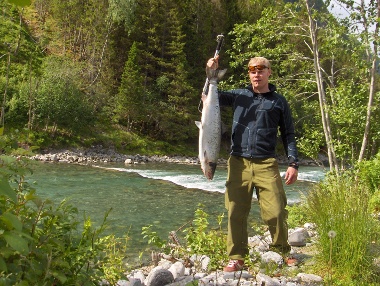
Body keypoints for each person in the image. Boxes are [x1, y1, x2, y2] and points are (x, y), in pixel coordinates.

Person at [205, 56, 299, 272]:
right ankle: (237, 257)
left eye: (261, 70)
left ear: (269, 72)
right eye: (252, 70)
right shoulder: (239, 96)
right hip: (238, 162)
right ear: (249, 74)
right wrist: (209, 74)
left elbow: (289, 134)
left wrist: (293, 163)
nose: (256, 74)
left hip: (267, 163)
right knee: (235, 211)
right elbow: (210, 97)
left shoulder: (278, 101)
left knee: (276, 210)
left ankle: (282, 251)